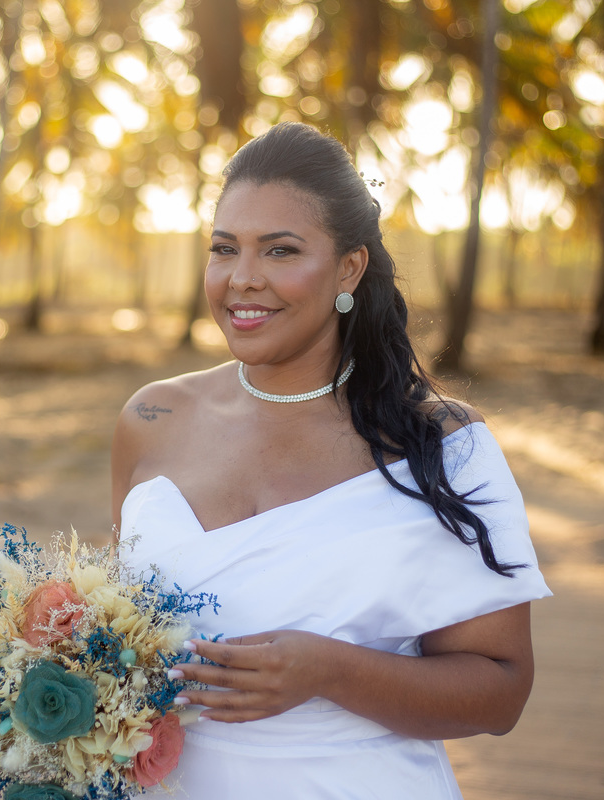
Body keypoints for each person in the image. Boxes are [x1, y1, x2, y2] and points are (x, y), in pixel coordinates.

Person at [111, 121, 550, 799]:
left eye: (281, 251)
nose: (243, 280)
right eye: (224, 249)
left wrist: (328, 672)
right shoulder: (150, 420)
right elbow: (114, 635)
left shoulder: (441, 446)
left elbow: (501, 692)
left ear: (349, 268)